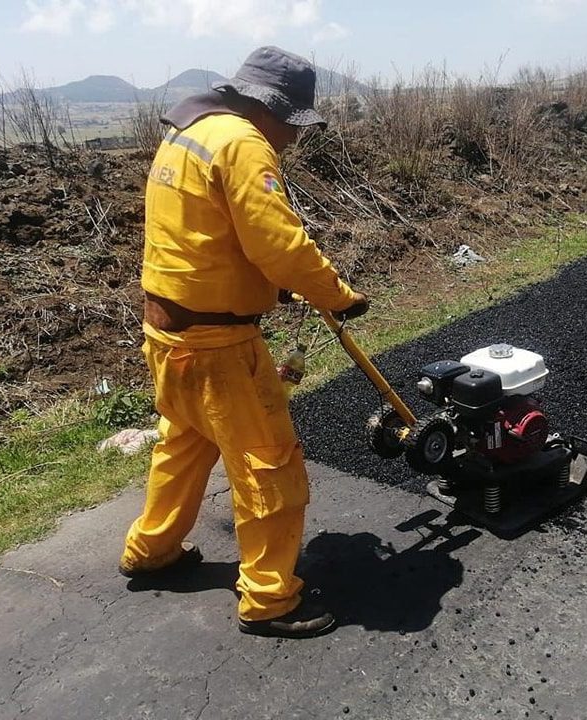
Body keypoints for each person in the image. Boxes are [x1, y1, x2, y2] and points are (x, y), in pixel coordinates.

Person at [118, 46, 368, 639]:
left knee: (184, 447)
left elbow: (203, 235)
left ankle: (150, 551)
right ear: (272, 109)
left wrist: (264, 288)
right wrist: (337, 295)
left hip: (167, 331)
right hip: (216, 345)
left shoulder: (191, 133)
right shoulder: (244, 143)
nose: (295, 139)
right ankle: (270, 598)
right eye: (294, 125)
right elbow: (278, 243)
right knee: (269, 465)